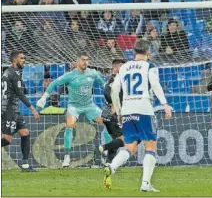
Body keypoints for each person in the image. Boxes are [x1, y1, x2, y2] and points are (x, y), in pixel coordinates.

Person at [103, 39, 172, 192]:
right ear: (148, 52)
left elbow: (114, 90)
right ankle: (145, 184)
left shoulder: (124, 67)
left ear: (134, 52)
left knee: (130, 146)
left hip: (127, 109)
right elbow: (155, 84)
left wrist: (119, 111)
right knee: (150, 146)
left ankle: (112, 167)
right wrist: (165, 104)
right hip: (144, 107)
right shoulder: (150, 66)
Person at [37, 52, 112, 168]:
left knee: (108, 123)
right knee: (70, 125)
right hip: (74, 106)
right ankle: (67, 156)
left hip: (89, 105)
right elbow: (55, 83)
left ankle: (106, 152)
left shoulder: (93, 73)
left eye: (87, 60)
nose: (85, 62)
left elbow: (104, 85)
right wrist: (44, 97)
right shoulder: (70, 75)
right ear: (77, 61)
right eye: (83, 60)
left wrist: (112, 93)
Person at [1, 50, 40, 172]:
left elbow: (20, 91)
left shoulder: (8, 72)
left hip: (14, 110)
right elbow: (20, 94)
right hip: (8, 110)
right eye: (21, 58)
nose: (24, 60)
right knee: (7, 140)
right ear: (14, 60)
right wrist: (33, 109)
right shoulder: (13, 74)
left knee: (25, 133)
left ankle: (25, 165)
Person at [98, 59, 126, 166]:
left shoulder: (115, 80)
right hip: (113, 115)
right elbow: (107, 93)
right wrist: (115, 104)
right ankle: (103, 147)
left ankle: (108, 164)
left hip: (107, 116)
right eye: (121, 67)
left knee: (117, 141)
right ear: (115, 68)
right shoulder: (114, 80)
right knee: (125, 139)